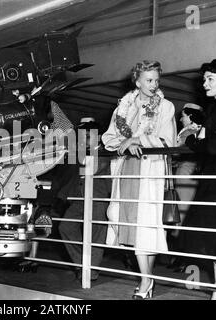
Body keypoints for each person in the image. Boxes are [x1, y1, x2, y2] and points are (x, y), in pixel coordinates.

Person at [102, 60, 177, 299]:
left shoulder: (166, 107)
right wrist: (125, 143)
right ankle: (148, 277)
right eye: (148, 80)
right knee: (127, 225)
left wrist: (137, 141)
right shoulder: (123, 107)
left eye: (156, 80)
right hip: (127, 171)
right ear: (137, 81)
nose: (154, 85)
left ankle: (146, 280)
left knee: (147, 227)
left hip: (150, 172)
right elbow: (109, 138)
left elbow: (168, 141)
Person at [183, 59, 216, 300]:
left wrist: (195, 144)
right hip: (214, 176)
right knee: (209, 232)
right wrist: (199, 144)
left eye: (210, 79)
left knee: (214, 231)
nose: (204, 83)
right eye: (204, 79)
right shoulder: (214, 107)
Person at [58, 118, 110, 282]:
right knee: (65, 227)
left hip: (98, 198)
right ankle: (83, 264)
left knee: (96, 236)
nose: (84, 139)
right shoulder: (82, 151)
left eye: (87, 136)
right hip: (79, 197)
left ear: (98, 136)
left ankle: (90, 271)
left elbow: (91, 168)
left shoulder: (105, 151)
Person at [167, 103, 205, 271]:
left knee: (182, 215)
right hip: (185, 175)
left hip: (185, 177)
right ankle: (182, 256)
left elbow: (178, 153)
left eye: (183, 115)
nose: (180, 118)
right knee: (183, 215)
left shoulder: (189, 133)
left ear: (190, 117)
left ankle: (183, 257)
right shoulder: (193, 131)